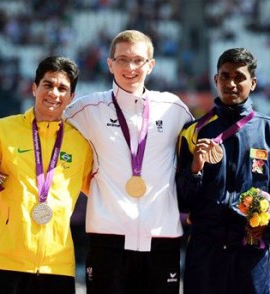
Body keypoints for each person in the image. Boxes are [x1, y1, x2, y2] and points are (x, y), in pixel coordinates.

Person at [64, 30, 193, 294]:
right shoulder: (86, 109)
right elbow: (43, 129)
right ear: (109, 64)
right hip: (108, 239)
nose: (130, 67)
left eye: (138, 60)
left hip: (162, 238)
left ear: (151, 65)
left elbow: (193, 158)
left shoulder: (174, 109)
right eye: (122, 60)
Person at [0, 56, 93, 294]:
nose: (54, 93)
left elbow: (99, 189)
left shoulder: (81, 143)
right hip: (6, 262)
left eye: (62, 88)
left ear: (71, 97)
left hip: (57, 266)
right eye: (48, 84)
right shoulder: (1, 131)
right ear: (34, 88)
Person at [176, 48, 270, 294]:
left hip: (251, 255)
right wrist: (194, 171)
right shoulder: (193, 131)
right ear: (215, 80)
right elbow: (181, 200)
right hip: (205, 253)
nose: (231, 83)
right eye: (224, 76)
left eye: (239, 77)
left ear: (253, 83)